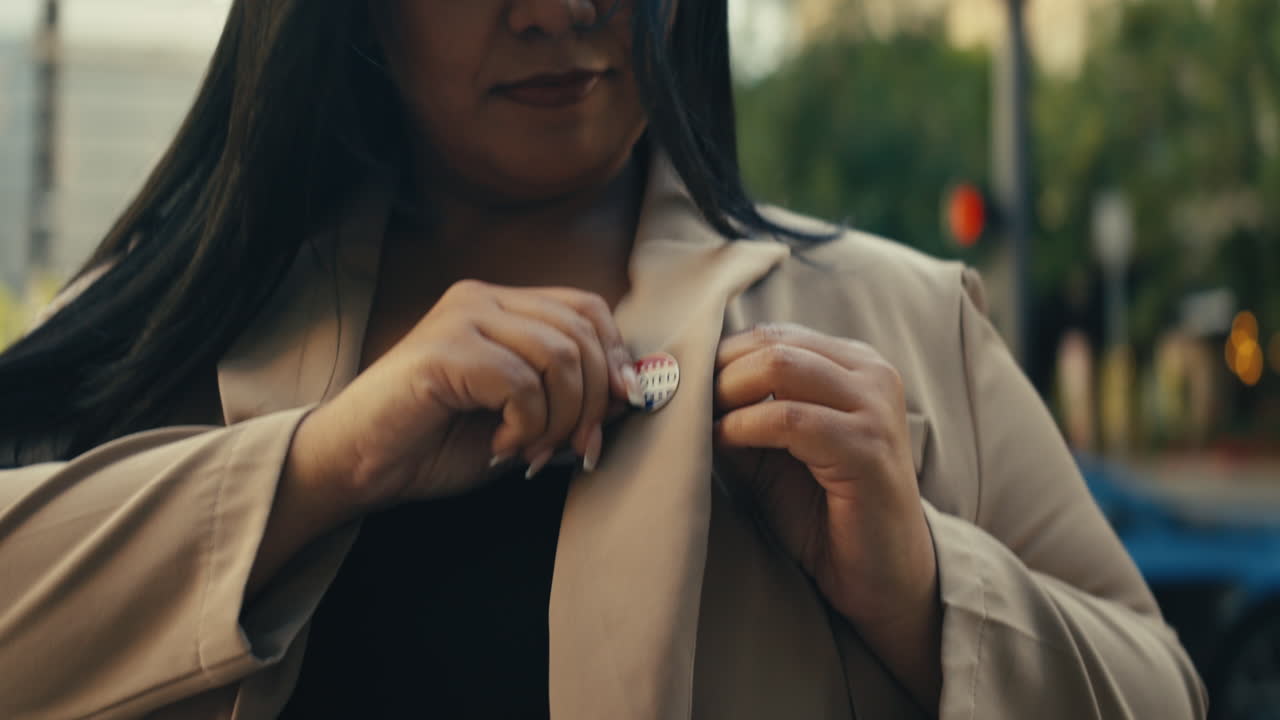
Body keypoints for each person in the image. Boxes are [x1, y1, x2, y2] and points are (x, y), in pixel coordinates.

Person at [0, 1, 1206, 718]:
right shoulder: (174, 318)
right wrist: (322, 466)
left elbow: (1163, 691)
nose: (557, 7)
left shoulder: (904, 316)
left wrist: (923, 592)